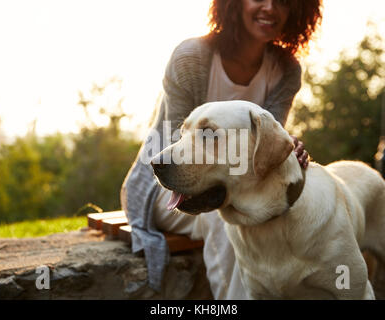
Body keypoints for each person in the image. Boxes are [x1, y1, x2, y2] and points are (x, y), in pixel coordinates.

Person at [121, 0, 322, 299]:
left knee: (302, 199)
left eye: (282, 1)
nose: (269, 7)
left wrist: (285, 149)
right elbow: (178, 144)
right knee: (228, 207)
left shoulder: (287, 69)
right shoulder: (190, 57)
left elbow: (263, 152)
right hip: (167, 182)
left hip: (243, 181)